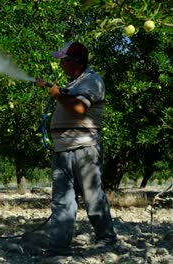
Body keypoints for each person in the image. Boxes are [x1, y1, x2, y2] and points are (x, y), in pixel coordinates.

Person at [36, 42, 117, 257]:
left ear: (75, 62)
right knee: (62, 199)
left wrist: (57, 95)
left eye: (64, 59)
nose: (60, 63)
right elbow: (70, 97)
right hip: (63, 149)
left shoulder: (92, 80)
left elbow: (80, 108)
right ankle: (59, 248)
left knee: (92, 196)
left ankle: (106, 239)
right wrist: (52, 87)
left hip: (84, 148)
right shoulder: (76, 83)